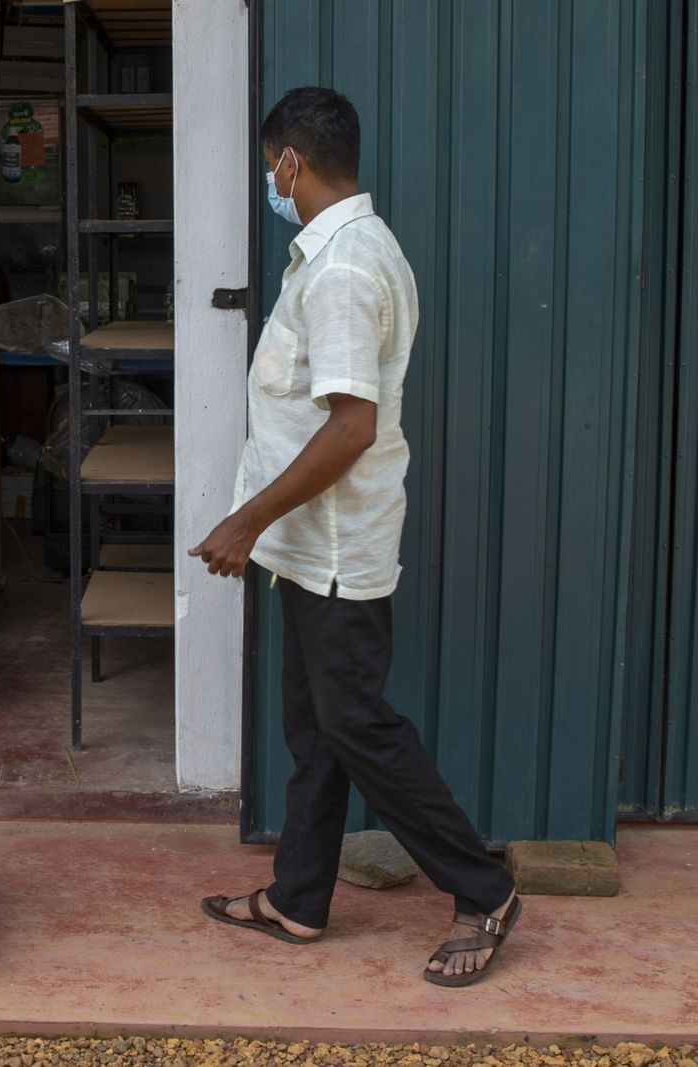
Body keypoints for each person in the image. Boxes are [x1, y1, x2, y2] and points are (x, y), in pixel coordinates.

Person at [189, 87, 520, 986]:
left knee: (360, 726)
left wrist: (243, 520)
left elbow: (350, 426)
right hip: (313, 547)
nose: (271, 184)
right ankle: (299, 899)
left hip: (333, 550)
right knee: (317, 726)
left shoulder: (339, 271)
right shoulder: (351, 249)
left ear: (291, 163)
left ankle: (483, 887)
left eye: (270, 171)